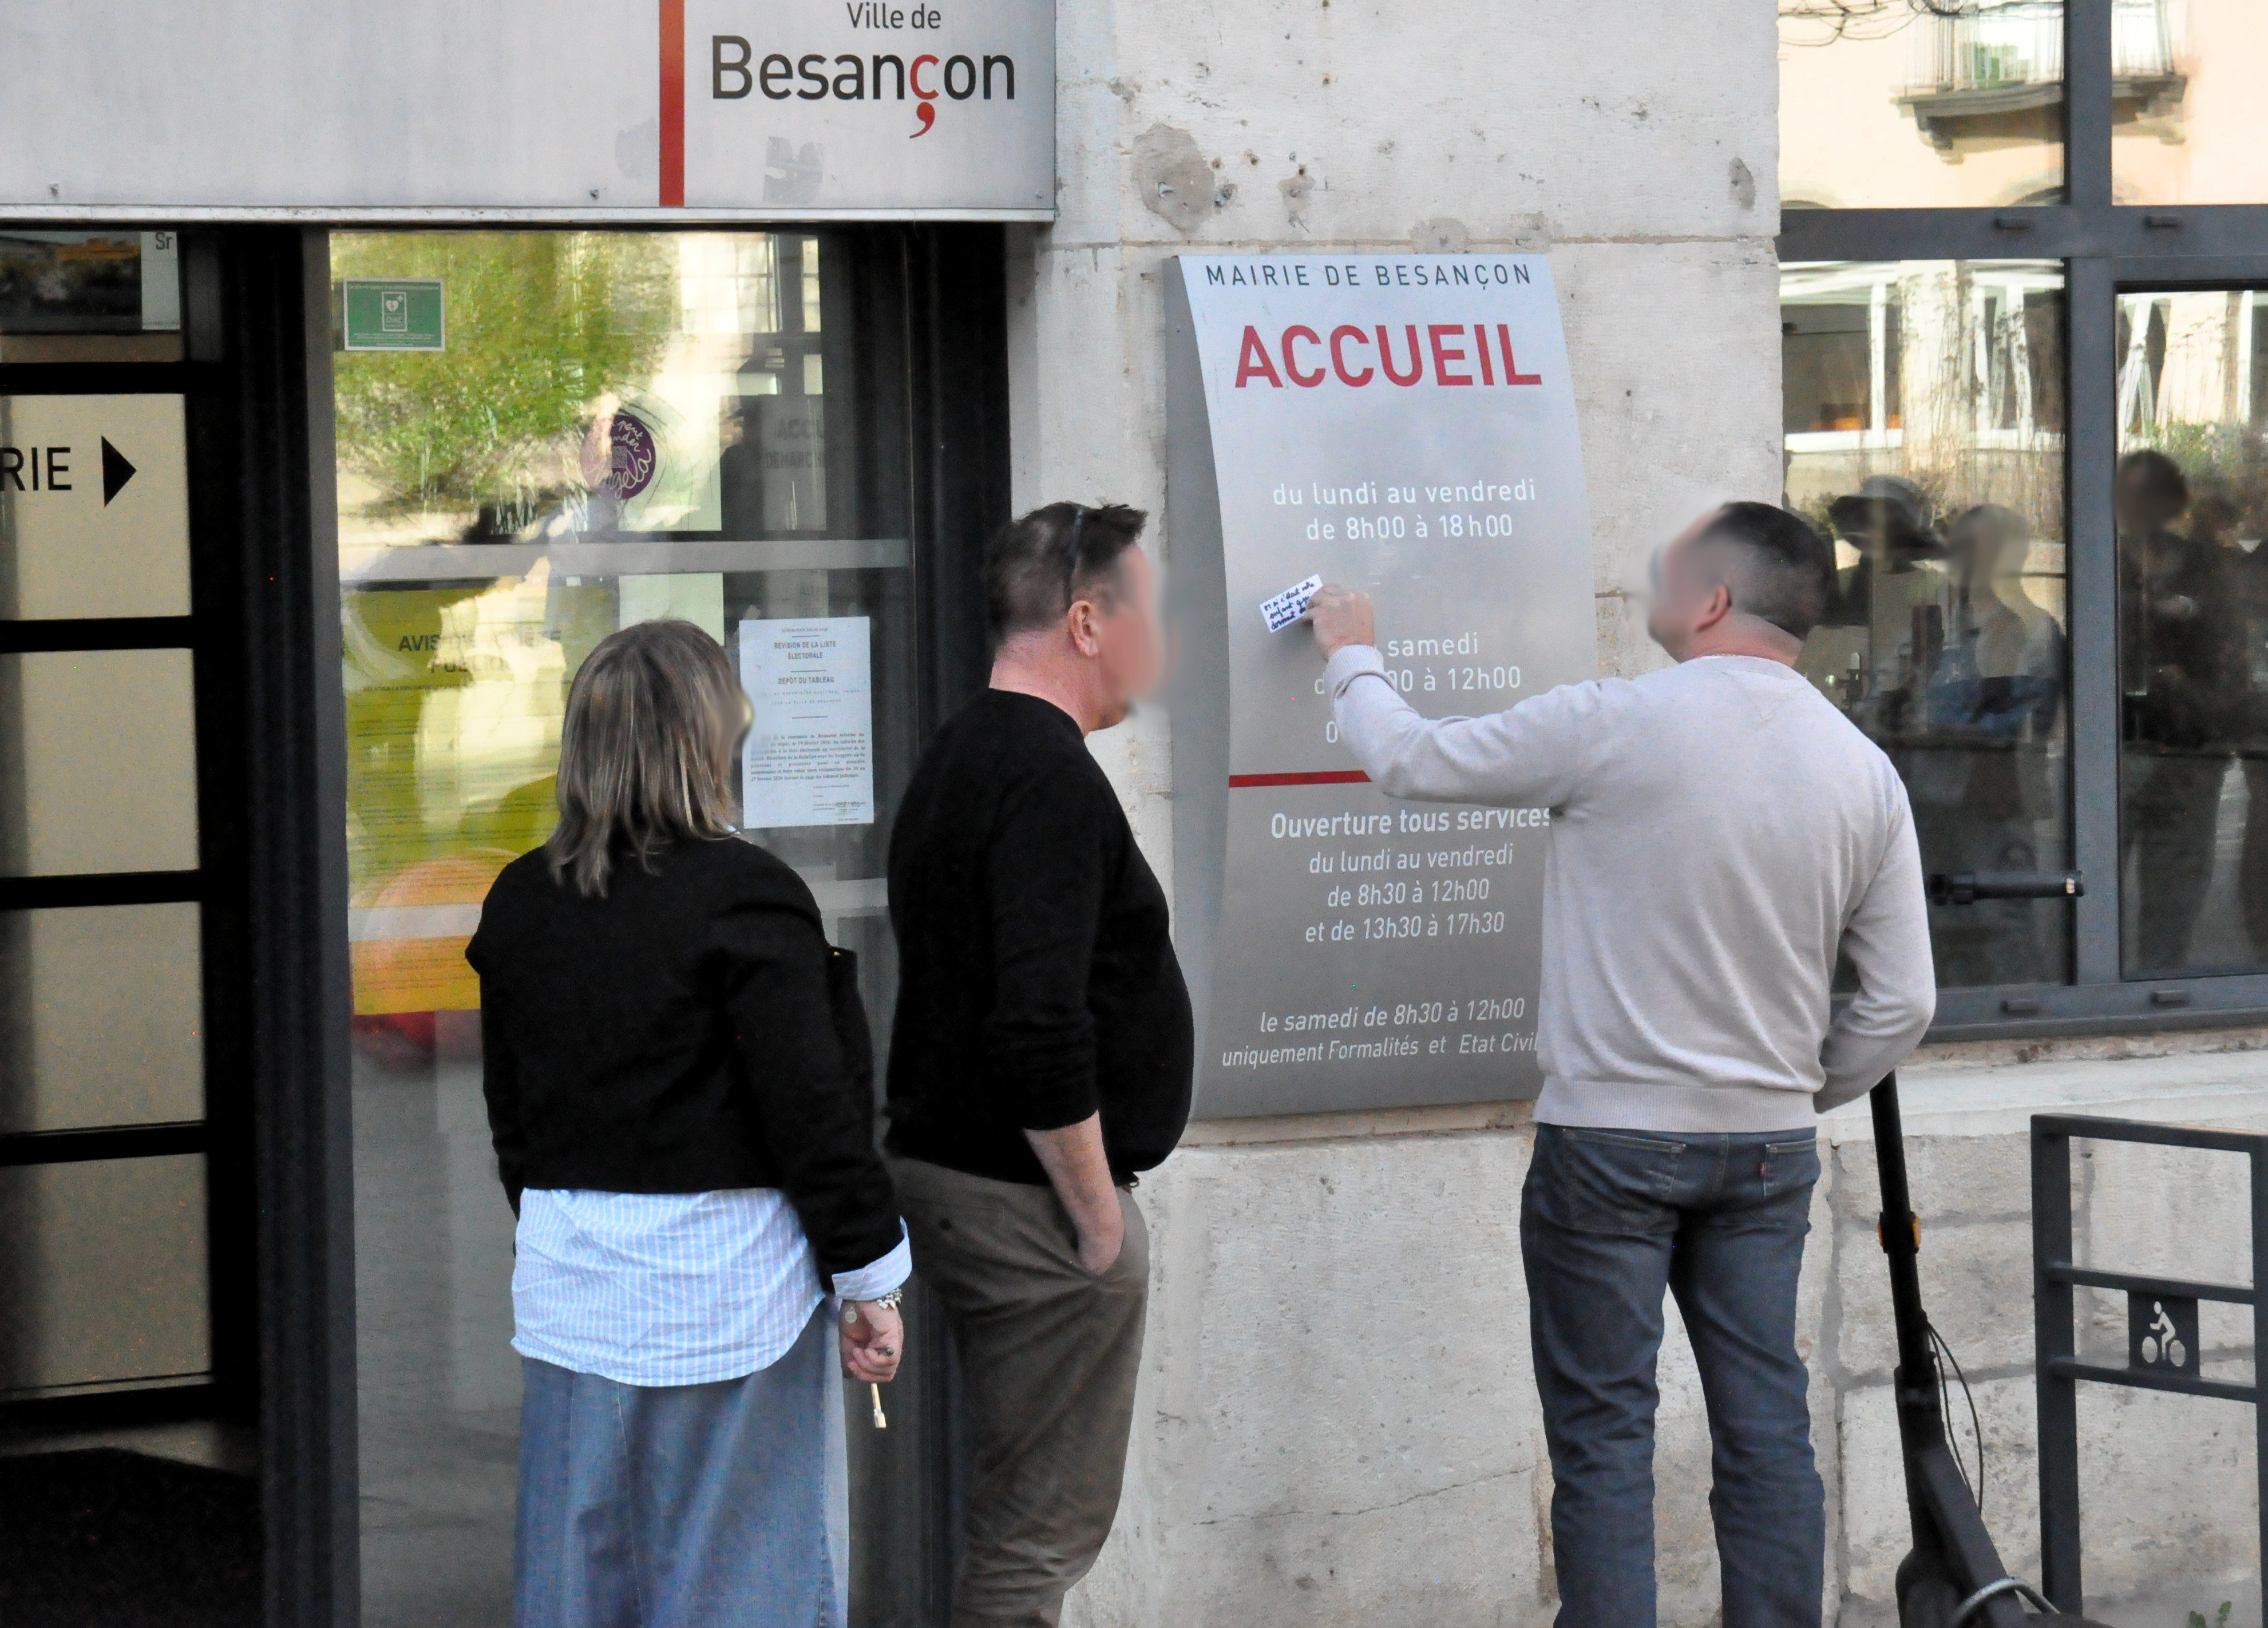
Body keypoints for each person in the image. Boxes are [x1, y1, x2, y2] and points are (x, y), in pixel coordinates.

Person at [1307, 502, 1935, 1628]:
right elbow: (1902, 1002)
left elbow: (1410, 760)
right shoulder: (1861, 770)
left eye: (1667, 566)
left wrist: (1351, 649)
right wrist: (1794, 1084)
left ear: (1707, 601)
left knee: (1603, 1438)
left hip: (1608, 1144)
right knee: (1765, 1427)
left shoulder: (1613, 722)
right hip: (1764, 1152)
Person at [468, 619, 911, 1628]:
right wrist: (870, 1279)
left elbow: (512, 1118)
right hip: (730, 1299)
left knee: (580, 1590)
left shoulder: (521, 900)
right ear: (706, 742)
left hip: (573, 1293)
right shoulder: (748, 895)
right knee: (741, 1590)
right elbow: (811, 1111)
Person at [885, 502, 1194, 1628]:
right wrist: (1096, 1218)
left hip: (961, 1181)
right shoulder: (1045, 779)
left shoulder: (959, 755)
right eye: (1143, 613)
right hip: (1031, 1208)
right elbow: (1036, 1024)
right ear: (1084, 622)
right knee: (1035, 1536)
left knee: (1013, 1519)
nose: (1154, 642)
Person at [2116, 449, 2244, 972]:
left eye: (2149, 495)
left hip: (2188, 750)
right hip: (2114, 745)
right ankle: (2099, 989)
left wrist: (2193, 685)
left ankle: (2158, 986)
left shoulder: (2203, 566)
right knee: (2092, 887)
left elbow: (2232, 646)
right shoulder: (2101, 556)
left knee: (2174, 892)